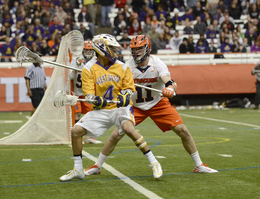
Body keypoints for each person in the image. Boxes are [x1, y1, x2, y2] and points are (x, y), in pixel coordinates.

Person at [84, 35, 218, 176]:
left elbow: (168, 80)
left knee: (183, 130)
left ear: (147, 48)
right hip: (135, 106)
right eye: (134, 49)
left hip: (157, 103)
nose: (137, 52)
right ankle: (97, 166)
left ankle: (199, 165)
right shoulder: (126, 66)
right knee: (116, 134)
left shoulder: (157, 63)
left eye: (140, 48)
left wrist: (170, 89)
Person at [59, 34, 162, 181]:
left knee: (128, 128)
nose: (115, 52)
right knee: (75, 131)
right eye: (112, 49)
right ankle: (78, 169)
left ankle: (154, 162)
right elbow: (89, 95)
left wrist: (125, 96)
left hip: (120, 108)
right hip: (102, 109)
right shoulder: (89, 68)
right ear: (102, 48)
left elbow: (130, 89)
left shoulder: (122, 66)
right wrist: (96, 101)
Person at [69, 41, 102, 144]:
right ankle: (78, 138)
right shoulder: (76, 60)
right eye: (86, 49)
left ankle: (89, 137)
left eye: (90, 50)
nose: (88, 52)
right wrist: (77, 66)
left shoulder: (95, 62)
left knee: (91, 114)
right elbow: (70, 76)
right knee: (77, 114)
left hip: (88, 93)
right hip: (76, 93)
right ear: (83, 50)